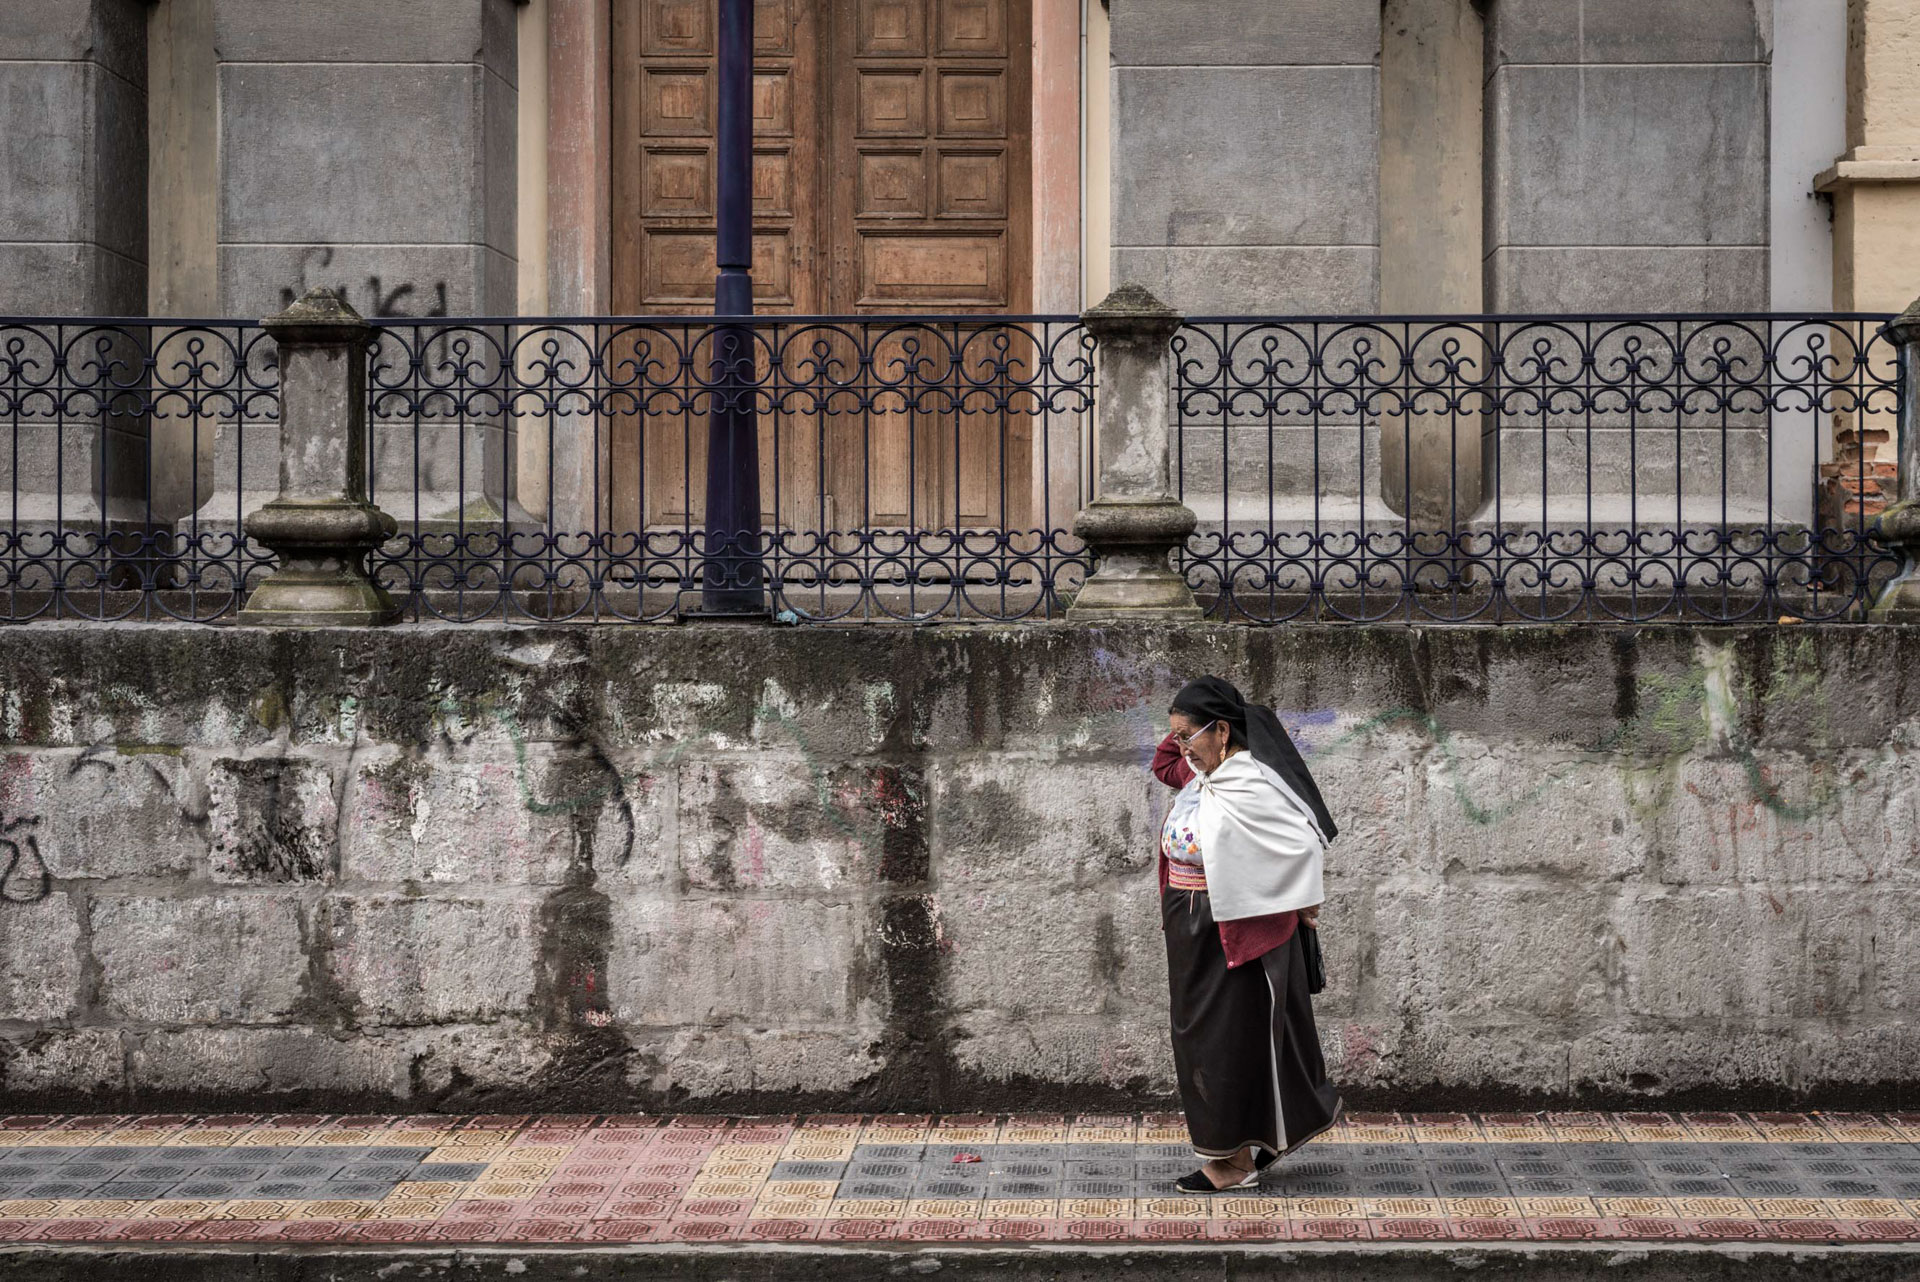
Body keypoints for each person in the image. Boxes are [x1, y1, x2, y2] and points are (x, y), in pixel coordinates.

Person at [1152, 675, 1343, 1192]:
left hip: (1234, 932)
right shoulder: (1203, 773)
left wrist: (1299, 898)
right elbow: (1164, 763)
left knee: (1224, 1042)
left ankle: (1231, 1163)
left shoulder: (1252, 782)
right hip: (1192, 928)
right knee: (1200, 1038)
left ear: (1222, 731)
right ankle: (1238, 1150)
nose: (1180, 746)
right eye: (1176, 735)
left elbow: (1299, 846)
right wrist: (1187, 730)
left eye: (1188, 735)